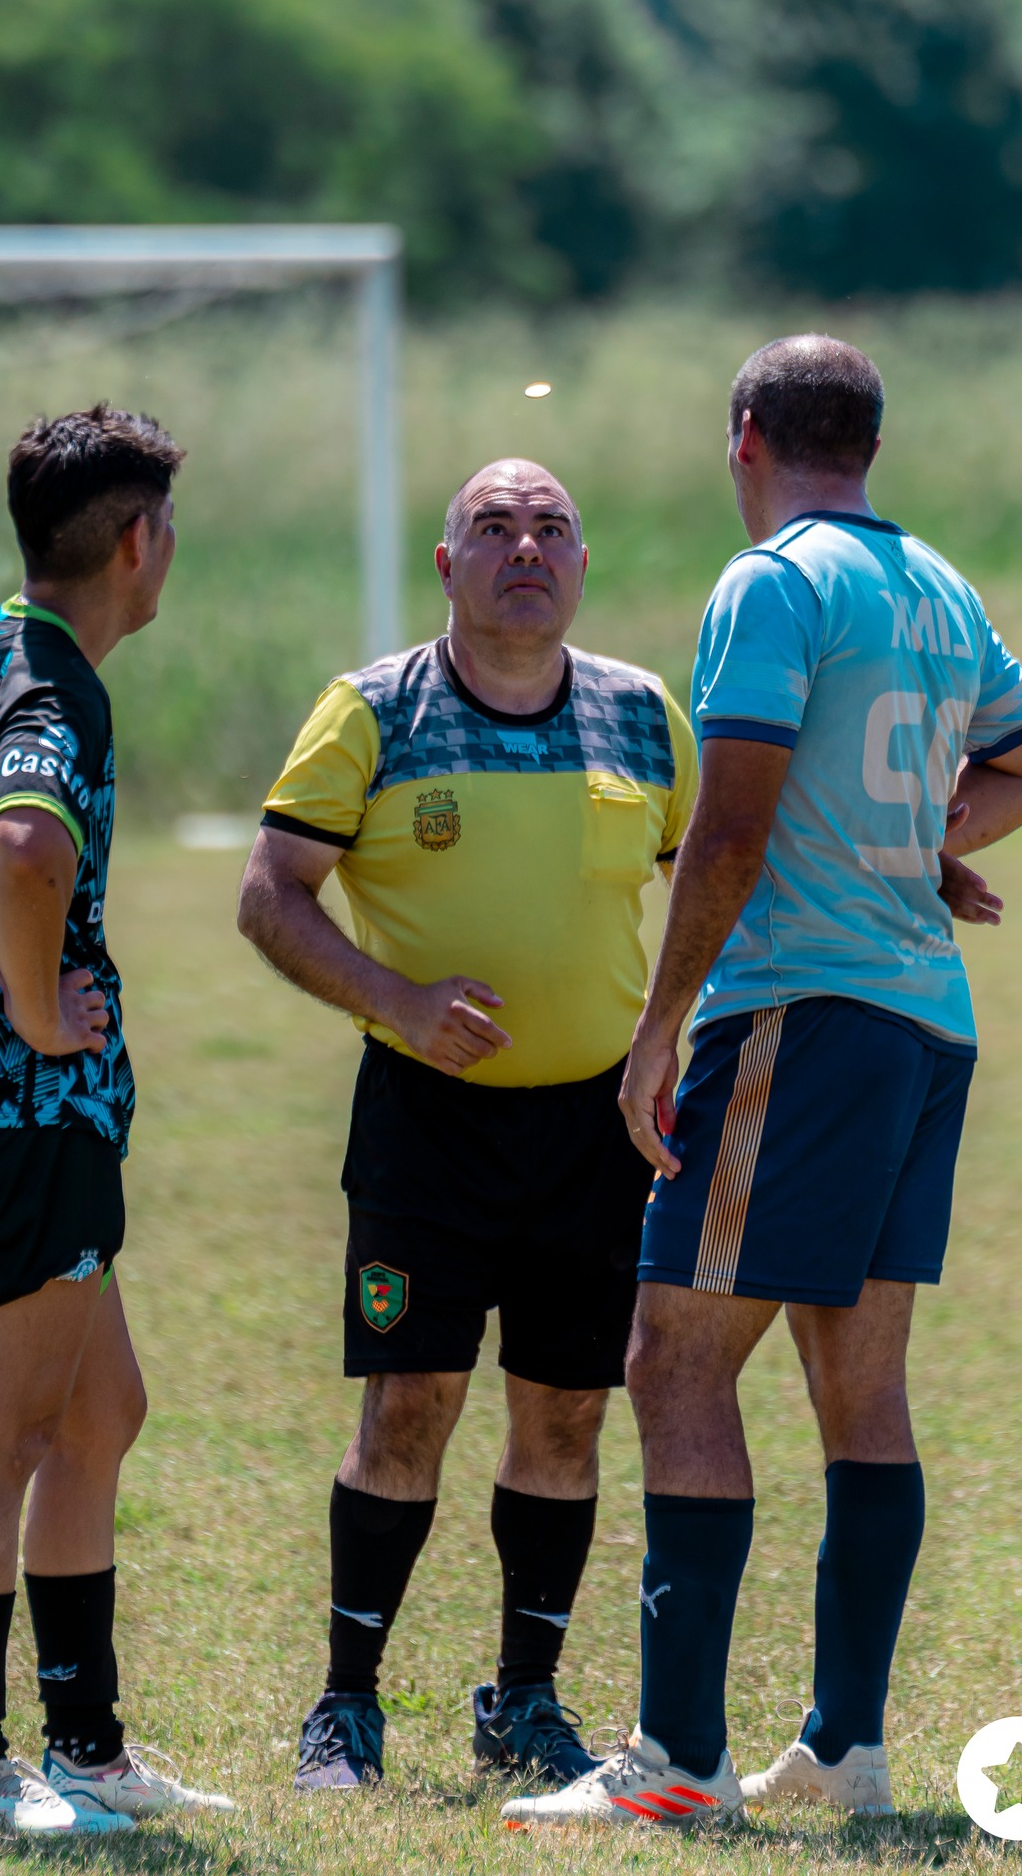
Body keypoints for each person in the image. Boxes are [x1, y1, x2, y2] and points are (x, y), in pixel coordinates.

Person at [502, 335, 1022, 1831]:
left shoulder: (772, 581)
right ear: (864, 441)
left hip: (796, 1017)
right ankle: (843, 1748)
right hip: (919, 1022)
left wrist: (656, 1028)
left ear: (741, 435)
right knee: (855, 1383)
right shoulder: (936, 585)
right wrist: (916, 843)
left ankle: (679, 1764)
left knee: (671, 1363)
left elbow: (735, 823)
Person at [237, 458, 698, 1793]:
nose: (523, 548)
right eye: (491, 527)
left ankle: (527, 1700)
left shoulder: (638, 713)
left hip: (597, 1130)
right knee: (409, 1406)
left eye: (549, 527)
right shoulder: (370, 710)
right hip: (423, 1127)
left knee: (564, 1419)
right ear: (446, 566)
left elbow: (715, 884)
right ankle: (345, 1705)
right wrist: (398, 998)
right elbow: (273, 898)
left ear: (581, 563)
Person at [0, 404, 232, 1835]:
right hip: (12, 1115)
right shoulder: (57, 689)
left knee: (100, 1413)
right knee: (3, 1433)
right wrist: (18, 1013)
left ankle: (82, 1749)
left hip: (1, 1106)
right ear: (139, 542)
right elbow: (25, 843)